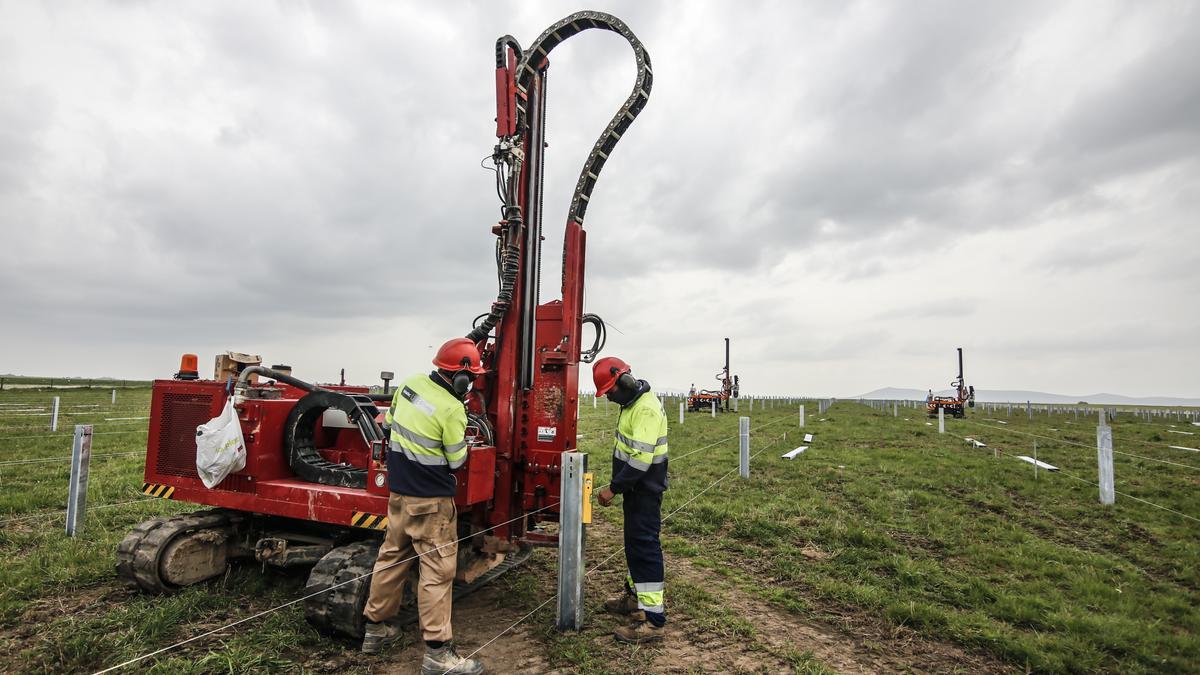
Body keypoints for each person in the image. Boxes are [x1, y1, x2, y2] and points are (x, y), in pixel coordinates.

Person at [361, 337, 486, 675]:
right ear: (459, 377)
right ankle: (437, 653)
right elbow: (457, 460)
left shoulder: (410, 385)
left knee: (391, 557)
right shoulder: (452, 409)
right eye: (471, 377)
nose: (471, 383)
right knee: (437, 571)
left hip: (399, 495)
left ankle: (376, 630)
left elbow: (387, 427)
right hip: (430, 503)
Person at [592, 356, 669, 643]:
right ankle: (634, 598)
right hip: (636, 491)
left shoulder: (645, 409)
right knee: (634, 546)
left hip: (643, 491)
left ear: (624, 382)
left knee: (645, 549)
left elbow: (640, 461)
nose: (610, 399)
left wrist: (613, 488)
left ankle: (652, 620)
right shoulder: (631, 404)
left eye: (610, 392)